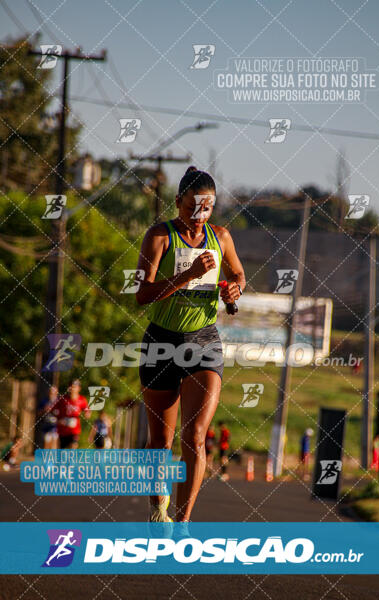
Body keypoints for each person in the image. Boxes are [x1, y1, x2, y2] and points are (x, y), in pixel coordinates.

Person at [135, 166, 245, 524]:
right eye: (191, 208)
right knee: (160, 443)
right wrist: (187, 276)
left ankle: (182, 523)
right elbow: (143, 294)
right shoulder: (159, 236)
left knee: (195, 435)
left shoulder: (222, 237)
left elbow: (238, 275)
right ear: (178, 201)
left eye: (206, 210)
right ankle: (158, 508)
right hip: (161, 342)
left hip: (203, 341)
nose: (198, 217)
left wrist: (234, 289)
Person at [53, 379, 90, 449]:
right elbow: (53, 410)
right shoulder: (62, 399)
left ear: (79, 388)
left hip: (74, 430)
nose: (72, 389)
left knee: (73, 447)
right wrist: (59, 420)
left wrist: (87, 414)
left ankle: (71, 459)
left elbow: (87, 410)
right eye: (71, 387)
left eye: (74, 387)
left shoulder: (82, 400)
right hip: (63, 430)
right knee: (61, 451)